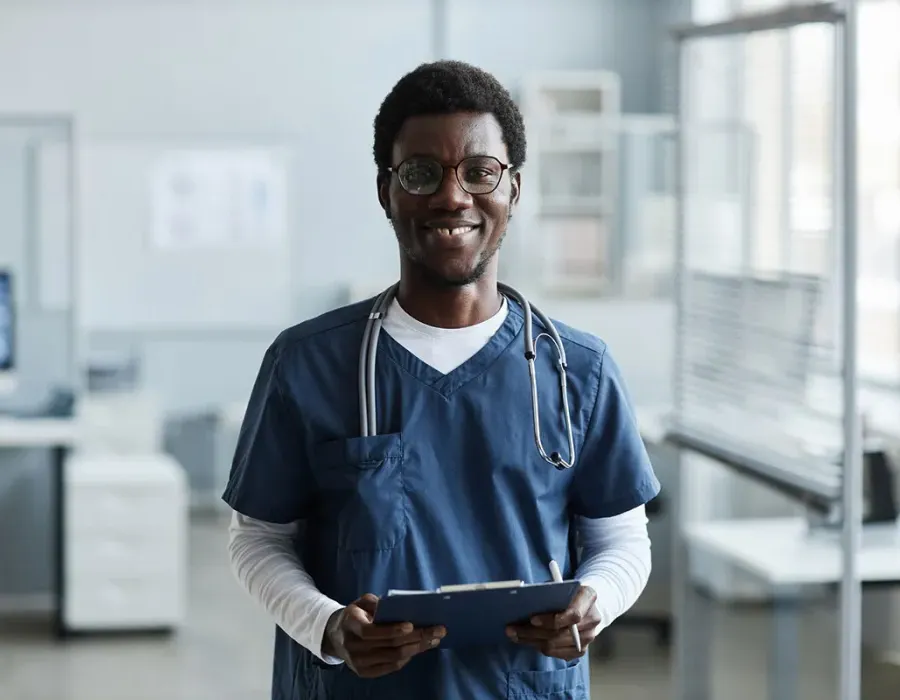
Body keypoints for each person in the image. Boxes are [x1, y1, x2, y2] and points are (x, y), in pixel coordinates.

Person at [224, 59, 661, 700]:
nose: (453, 196)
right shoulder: (308, 363)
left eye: (480, 172)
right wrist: (329, 628)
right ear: (386, 191)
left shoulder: (579, 369)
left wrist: (598, 599)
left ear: (513, 188)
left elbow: (621, 537)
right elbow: (258, 540)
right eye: (422, 173)